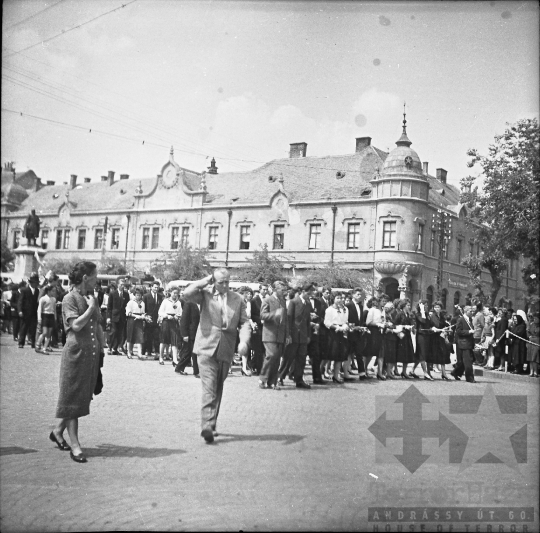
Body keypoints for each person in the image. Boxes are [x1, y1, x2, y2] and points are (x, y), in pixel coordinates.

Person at [184, 268, 251, 443]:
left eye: (227, 281)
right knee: (209, 387)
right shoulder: (205, 295)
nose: (225, 285)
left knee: (217, 387)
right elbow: (186, 294)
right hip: (206, 346)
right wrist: (206, 280)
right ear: (214, 281)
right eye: (221, 282)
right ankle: (206, 425)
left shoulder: (238, 299)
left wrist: (243, 341)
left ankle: (211, 423)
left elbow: (244, 323)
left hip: (226, 349)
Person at [51, 261, 105, 463]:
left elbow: (97, 324)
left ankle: (57, 431)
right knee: (73, 398)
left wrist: (101, 348)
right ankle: (75, 445)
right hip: (75, 355)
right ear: (85, 278)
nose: (96, 279)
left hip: (90, 356)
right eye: (95, 276)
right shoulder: (69, 298)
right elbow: (76, 325)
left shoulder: (91, 298)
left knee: (81, 397)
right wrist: (91, 308)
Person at [278, 283, 315, 389]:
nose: (311, 294)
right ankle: (280, 377)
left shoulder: (308, 304)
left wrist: (308, 335)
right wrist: (288, 335)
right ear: (303, 292)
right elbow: (288, 319)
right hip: (293, 336)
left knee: (301, 359)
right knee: (288, 358)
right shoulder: (294, 302)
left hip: (303, 337)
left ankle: (299, 380)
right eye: (309, 292)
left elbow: (308, 321)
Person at [259, 280, 291, 390]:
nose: (284, 292)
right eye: (282, 290)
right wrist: (274, 315)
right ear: (274, 290)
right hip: (269, 334)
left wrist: (287, 335)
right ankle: (263, 379)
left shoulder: (283, 301)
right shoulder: (267, 300)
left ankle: (272, 382)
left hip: (280, 334)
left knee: (277, 358)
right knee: (271, 355)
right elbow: (262, 315)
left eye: (285, 290)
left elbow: (285, 319)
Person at [324, 292, 351, 383]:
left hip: (341, 332)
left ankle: (336, 375)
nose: (340, 300)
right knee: (331, 353)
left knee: (340, 355)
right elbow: (327, 322)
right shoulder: (329, 309)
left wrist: (345, 326)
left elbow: (345, 320)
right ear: (333, 299)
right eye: (338, 298)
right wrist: (336, 327)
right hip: (333, 332)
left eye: (341, 298)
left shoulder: (345, 309)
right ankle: (323, 372)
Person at [346, 288, 369, 381]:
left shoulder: (360, 306)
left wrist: (362, 327)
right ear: (353, 295)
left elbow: (361, 319)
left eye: (361, 295)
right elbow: (347, 319)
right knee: (348, 353)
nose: (360, 296)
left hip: (358, 333)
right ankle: (345, 372)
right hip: (351, 332)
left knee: (359, 353)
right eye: (358, 294)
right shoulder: (348, 305)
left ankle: (362, 373)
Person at [157, 287, 182, 367]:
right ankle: (161, 357)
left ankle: (175, 359)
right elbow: (160, 312)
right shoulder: (165, 301)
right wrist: (167, 316)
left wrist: (177, 316)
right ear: (170, 293)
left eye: (176, 293)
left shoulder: (178, 302)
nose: (175, 295)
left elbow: (180, 312)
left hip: (174, 322)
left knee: (174, 341)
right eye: (174, 293)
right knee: (164, 340)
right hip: (166, 321)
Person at [175, 298, 201, 377]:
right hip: (191, 333)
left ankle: (179, 367)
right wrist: (184, 334)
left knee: (190, 352)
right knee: (192, 352)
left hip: (199, 332)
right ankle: (196, 372)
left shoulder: (203, 304)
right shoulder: (189, 304)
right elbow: (184, 320)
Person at [451, 305, 476, 383]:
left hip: (469, 343)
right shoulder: (461, 320)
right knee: (468, 362)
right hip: (463, 343)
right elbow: (458, 331)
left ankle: (455, 373)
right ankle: (470, 378)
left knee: (462, 362)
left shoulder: (470, 319)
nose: (472, 312)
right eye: (470, 311)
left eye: (472, 311)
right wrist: (468, 332)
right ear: (466, 311)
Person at [411, 299, 434, 380]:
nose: (427, 306)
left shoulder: (427, 314)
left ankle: (412, 370)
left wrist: (433, 328)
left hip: (427, 336)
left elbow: (430, 323)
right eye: (425, 305)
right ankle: (425, 373)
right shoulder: (418, 314)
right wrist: (422, 311)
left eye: (427, 305)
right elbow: (423, 321)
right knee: (422, 354)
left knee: (419, 355)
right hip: (421, 336)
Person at [429, 301, 451, 380]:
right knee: (433, 355)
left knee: (443, 354)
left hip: (441, 338)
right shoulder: (432, 316)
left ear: (441, 308)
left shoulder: (441, 316)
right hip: (434, 338)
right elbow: (432, 326)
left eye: (438, 307)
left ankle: (444, 373)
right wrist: (439, 329)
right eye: (435, 307)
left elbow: (445, 324)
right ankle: (429, 373)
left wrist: (448, 328)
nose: (437, 309)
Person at [18, 272, 40, 349]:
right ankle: (21, 343)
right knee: (23, 328)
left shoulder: (37, 291)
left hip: (34, 313)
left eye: (37, 283)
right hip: (25, 313)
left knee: (33, 328)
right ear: (31, 283)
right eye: (35, 282)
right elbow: (20, 301)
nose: (36, 284)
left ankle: (33, 343)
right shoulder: (24, 290)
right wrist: (20, 310)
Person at [249, 284, 267, 376]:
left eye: (266, 289)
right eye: (264, 289)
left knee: (263, 349)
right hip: (258, 327)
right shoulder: (254, 300)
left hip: (266, 328)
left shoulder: (267, 300)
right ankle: (258, 369)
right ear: (260, 290)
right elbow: (252, 315)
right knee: (258, 349)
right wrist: (260, 320)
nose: (265, 291)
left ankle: (253, 364)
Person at [395, 299, 415, 378]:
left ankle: (404, 371)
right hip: (401, 336)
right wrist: (404, 326)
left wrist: (411, 328)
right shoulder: (400, 314)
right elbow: (395, 324)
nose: (409, 307)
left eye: (409, 306)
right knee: (400, 353)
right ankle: (395, 370)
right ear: (404, 306)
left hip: (407, 335)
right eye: (408, 305)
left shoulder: (408, 314)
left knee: (407, 354)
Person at [142, 281, 163, 358]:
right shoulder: (146, 296)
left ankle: (157, 352)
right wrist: (146, 316)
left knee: (157, 336)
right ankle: (148, 350)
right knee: (148, 336)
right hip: (148, 319)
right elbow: (143, 308)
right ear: (151, 287)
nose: (156, 289)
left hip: (157, 320)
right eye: (155, 287)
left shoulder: (160, 296)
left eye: (157, 287)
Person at [125, 288, 146, 359]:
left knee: (140, 336)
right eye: (137, 295)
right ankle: (129, 352)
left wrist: (143, 316)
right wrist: (135, 316)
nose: (138, 296)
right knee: (130, 335)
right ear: (134, 295)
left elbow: (143, 312)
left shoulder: (142, 303)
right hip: (132, 319)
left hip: (139, 320)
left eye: (140, 295)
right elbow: (128, 312)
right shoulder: (131, 302)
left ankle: (139, 353)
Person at [36, 286, 57, 353]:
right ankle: (38, 344)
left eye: (54, 291)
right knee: (44, 332)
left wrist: (55, 317)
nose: (54, 292)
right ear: (48, 291)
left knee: (49, 334)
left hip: (51, 316)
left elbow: (54, 309)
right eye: (52, 291)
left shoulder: (54, 299)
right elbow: (39, 309)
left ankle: (44, 348)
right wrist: (39, 318)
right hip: (45, 315)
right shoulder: (43, 299)